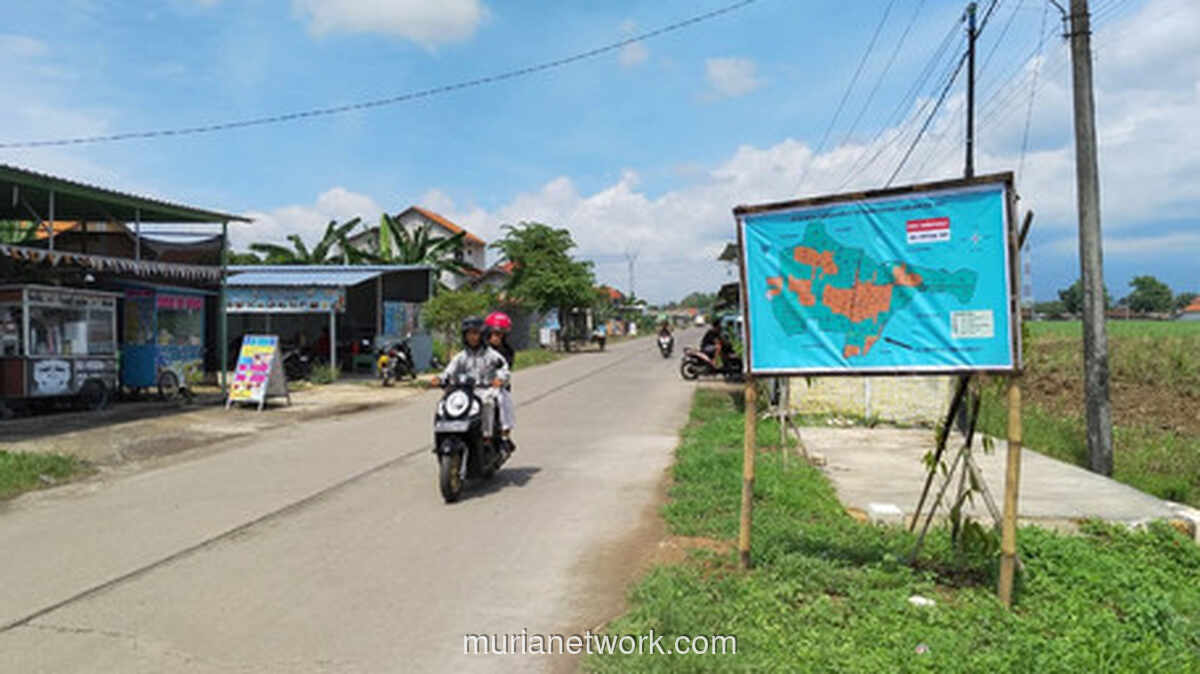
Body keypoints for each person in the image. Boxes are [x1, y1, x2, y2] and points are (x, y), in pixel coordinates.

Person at [431, 316, 511, 450]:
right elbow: (449, 371)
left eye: (475, 333)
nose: (472, 337)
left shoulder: (491, 355)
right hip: (465, 391)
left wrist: (500, 378)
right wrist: (439, 378)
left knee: (488, 402)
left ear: (482, 334)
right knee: (444, 404)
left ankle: (487, 437)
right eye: (469, 333)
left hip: (486, 390)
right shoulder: (460, 356)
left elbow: (504, 369)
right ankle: (442, 438)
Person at [484, 311, 517, 452]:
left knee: (503, 400)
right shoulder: (478, 348)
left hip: (497, 387)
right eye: (494, 333)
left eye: (500, 334)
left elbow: (505, 370)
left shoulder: (507, 351)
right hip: (477, 385)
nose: (496, 337)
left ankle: (505, 435)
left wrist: (499, 379)